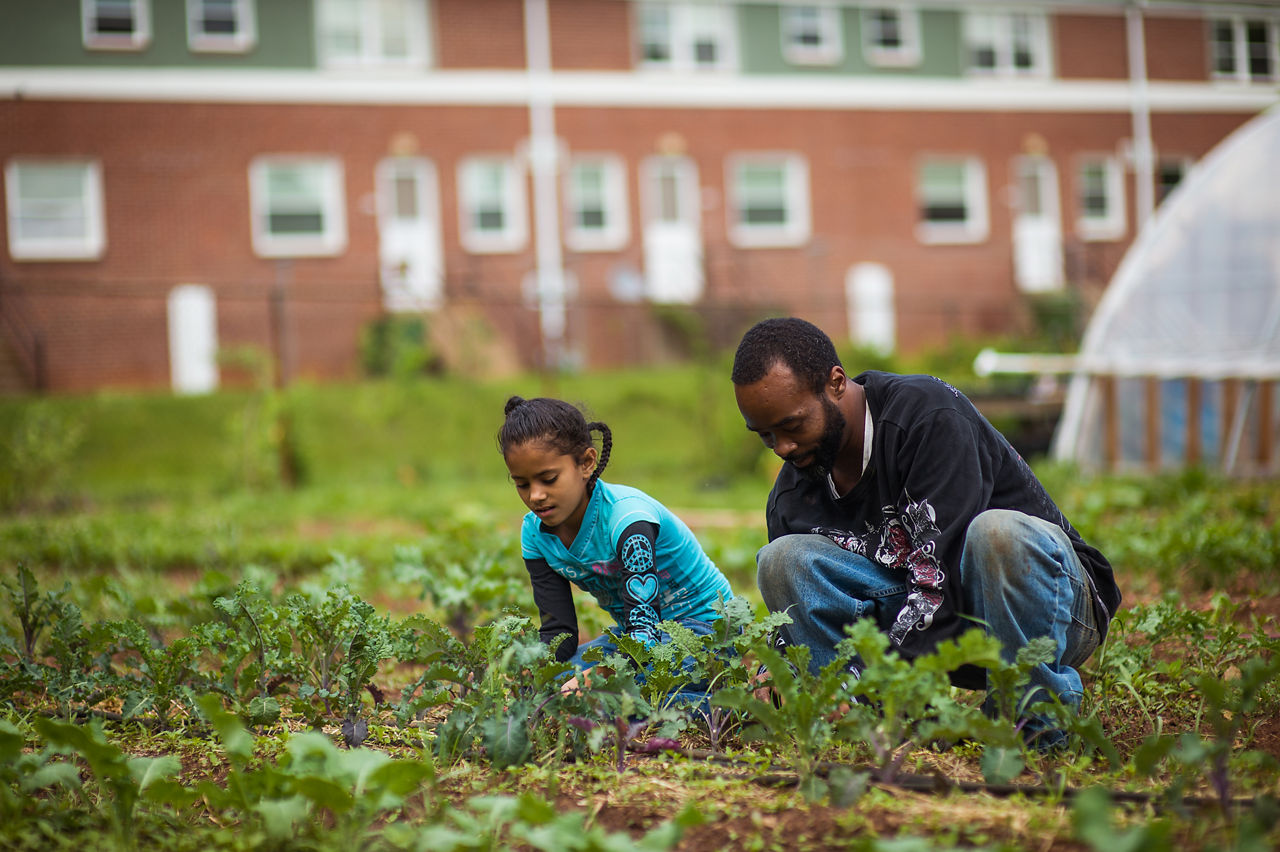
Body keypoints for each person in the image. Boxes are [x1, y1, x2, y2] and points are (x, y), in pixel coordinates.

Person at [730, 317, 1120, 743]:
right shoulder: (792, 494)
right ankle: (868, 726)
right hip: (932, 627)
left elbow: (941, 577)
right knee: (782, 559)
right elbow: (800, 615)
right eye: (766, 436)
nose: (783, 447)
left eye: (792, 425)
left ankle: (1031, 727)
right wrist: (783, 666)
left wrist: (888, 672)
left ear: (836, 383)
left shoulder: (926, 416)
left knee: (996, 532)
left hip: (1045, 608)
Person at [497, 395, 735, 686]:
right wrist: (529, 670)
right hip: (637, 639)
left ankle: (718, 704)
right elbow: (559, 633)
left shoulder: (628, 520)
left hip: (705, 631)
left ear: (586, 463)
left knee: (622, 695)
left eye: (548, 479)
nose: (535, 495)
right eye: (522, 484)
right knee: (546, 684)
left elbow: (644, 637)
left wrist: (592, 680)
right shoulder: (535, 533)